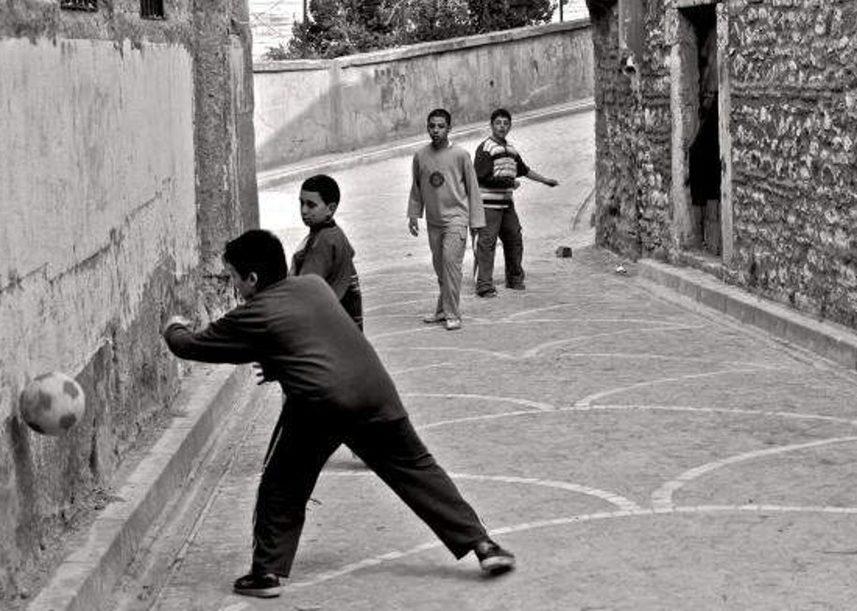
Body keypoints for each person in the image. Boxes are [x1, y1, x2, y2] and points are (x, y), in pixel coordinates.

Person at [162, 230, 516, 599]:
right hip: (376, 393)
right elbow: (311, 337)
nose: (233, 286)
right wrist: (281, 365)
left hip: (321, 405)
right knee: (418, 470)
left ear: (251, 279)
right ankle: (484, 546)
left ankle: (266, 573)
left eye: (234, 277)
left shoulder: (253, 314)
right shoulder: (313, 286)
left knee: (282, 486)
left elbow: (191, 346)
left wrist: (173, 325)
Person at [406, 108, 485, 330]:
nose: (436, 130)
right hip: (434, 221)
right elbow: (417, 187)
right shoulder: (420, 156)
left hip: (456, 219)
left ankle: (452, 313)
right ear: (427, 128)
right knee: (440, 268)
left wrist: (476, 222)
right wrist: (414, 214)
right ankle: (442, 310)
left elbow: (473, 189)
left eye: (441, 126)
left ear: (449, 128)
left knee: (451, 266)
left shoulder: (460, 155)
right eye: (432, 126)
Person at [472, 108, 559, 297]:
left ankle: (514, 279)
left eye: (505, 123)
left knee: (514, 238)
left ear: (510, 126)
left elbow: (525, 170)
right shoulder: (485, 148)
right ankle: (484, 286)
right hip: (488, 205)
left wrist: (545, 180)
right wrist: (508, 183)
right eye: (498, 123)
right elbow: (480, 177)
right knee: (487, 244)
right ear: (491, 125)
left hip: (506, 205)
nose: (502, 126)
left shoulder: (511, 150)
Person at [291, 174, 363, 330]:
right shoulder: (335, 232)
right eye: (301, 203)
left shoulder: (323, 241)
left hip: (333, 324)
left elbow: (305, 287)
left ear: (330, 208)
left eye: (311, 205)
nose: (303, 210)